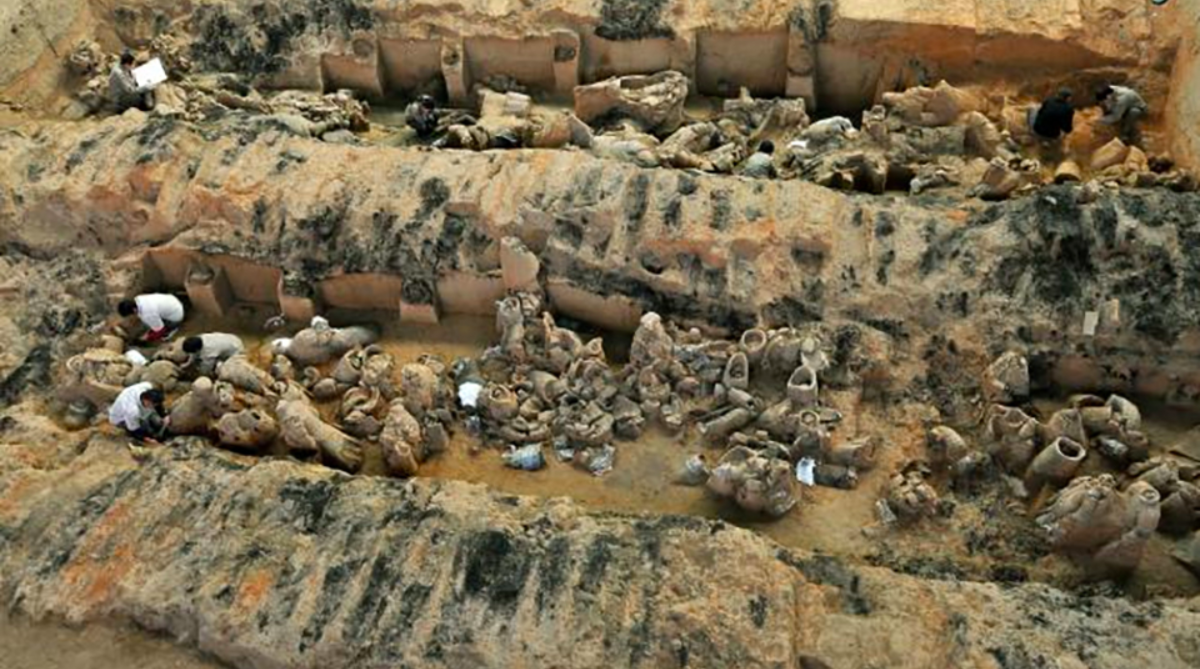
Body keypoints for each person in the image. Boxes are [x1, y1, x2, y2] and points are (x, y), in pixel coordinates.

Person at [118, 293, 185, 343]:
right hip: (173, 300)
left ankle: (172, 330)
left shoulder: (148, 314)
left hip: (176, 315)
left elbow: (160, 330)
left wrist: (148, 337)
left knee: (162, 334)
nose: (130, 317)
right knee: (151, 322)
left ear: (134, 310)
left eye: (129, 315)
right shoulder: (138, 299)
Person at [181, 333, 245, 376]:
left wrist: (197, 374)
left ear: (197, 350)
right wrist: (188, 364)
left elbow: (205, 370)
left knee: (221, 369)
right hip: (231, 338)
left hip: (236, 350)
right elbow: (194, 354)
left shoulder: (209, 351)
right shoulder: (199, 338)